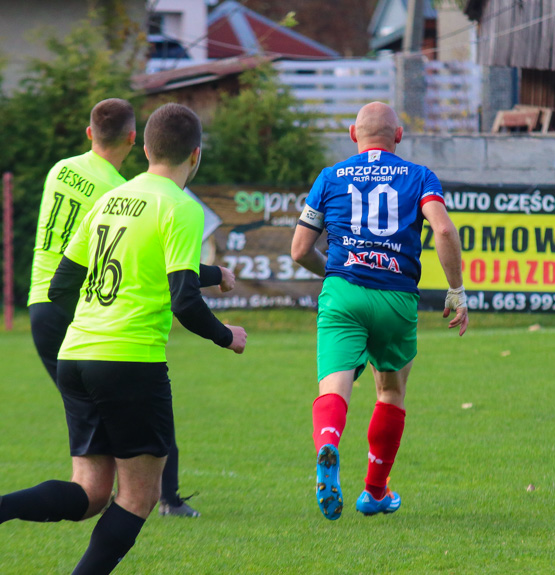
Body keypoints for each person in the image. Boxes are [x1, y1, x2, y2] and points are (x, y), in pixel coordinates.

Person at [0, 103, 247, 574]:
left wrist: (99, 317)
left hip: (75, 353)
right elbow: (185, 301)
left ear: (146, 148)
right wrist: (227, 336)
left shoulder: (110, 199)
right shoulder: (179, 206)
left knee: (92, 493)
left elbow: (60, 285)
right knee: (139, 496)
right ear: (196, 156)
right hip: (129, 359)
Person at [25, 98, 222, 518]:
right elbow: (149, 264)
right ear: (134, 141)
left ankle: (141, 494)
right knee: (135, 407)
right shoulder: (119, 191)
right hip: (97, 314)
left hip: (45, 304)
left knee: (93, 481)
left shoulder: (62, 169)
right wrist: (215, 286)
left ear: (89, 133)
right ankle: (163, 498)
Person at [291, 101, 469, 520]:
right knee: (389, 391)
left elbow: (299, 250)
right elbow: (442, 228)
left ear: (353, 135)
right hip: (396, 297)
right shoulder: (419, 176)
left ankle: (329, 444)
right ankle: (374, 492)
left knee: (333, 389)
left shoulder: (330, 177)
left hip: (343, 293)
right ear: (399, 137)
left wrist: (332, 270)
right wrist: (456, 290)